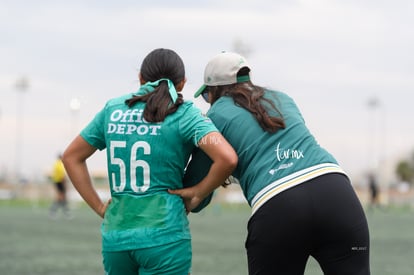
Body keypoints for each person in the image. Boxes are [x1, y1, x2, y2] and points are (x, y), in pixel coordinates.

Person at [170, 52, 371, 275]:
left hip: (279, 206)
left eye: (207, 96)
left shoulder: (216, 115)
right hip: (338, 195)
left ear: (215, 90)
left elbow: (197, 195)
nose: (209, 102)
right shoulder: (284, 98)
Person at [62, 48, 237, 275]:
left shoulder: (113, 109)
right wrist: (198, 193)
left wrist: (99, 207)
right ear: (182, 84)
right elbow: (227, 158)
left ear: (141, 78)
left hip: (116, 236)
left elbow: (71, 157)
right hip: (165, 234)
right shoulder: (184, 113)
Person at [49, 154, 71, 219]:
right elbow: (62, 176)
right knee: (61, 197)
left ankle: (64, 212)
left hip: (56, 182)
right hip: (60, 182)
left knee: (60, 198)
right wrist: (65, 185)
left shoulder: (56, 164)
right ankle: (63, 212)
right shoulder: (60, 165)